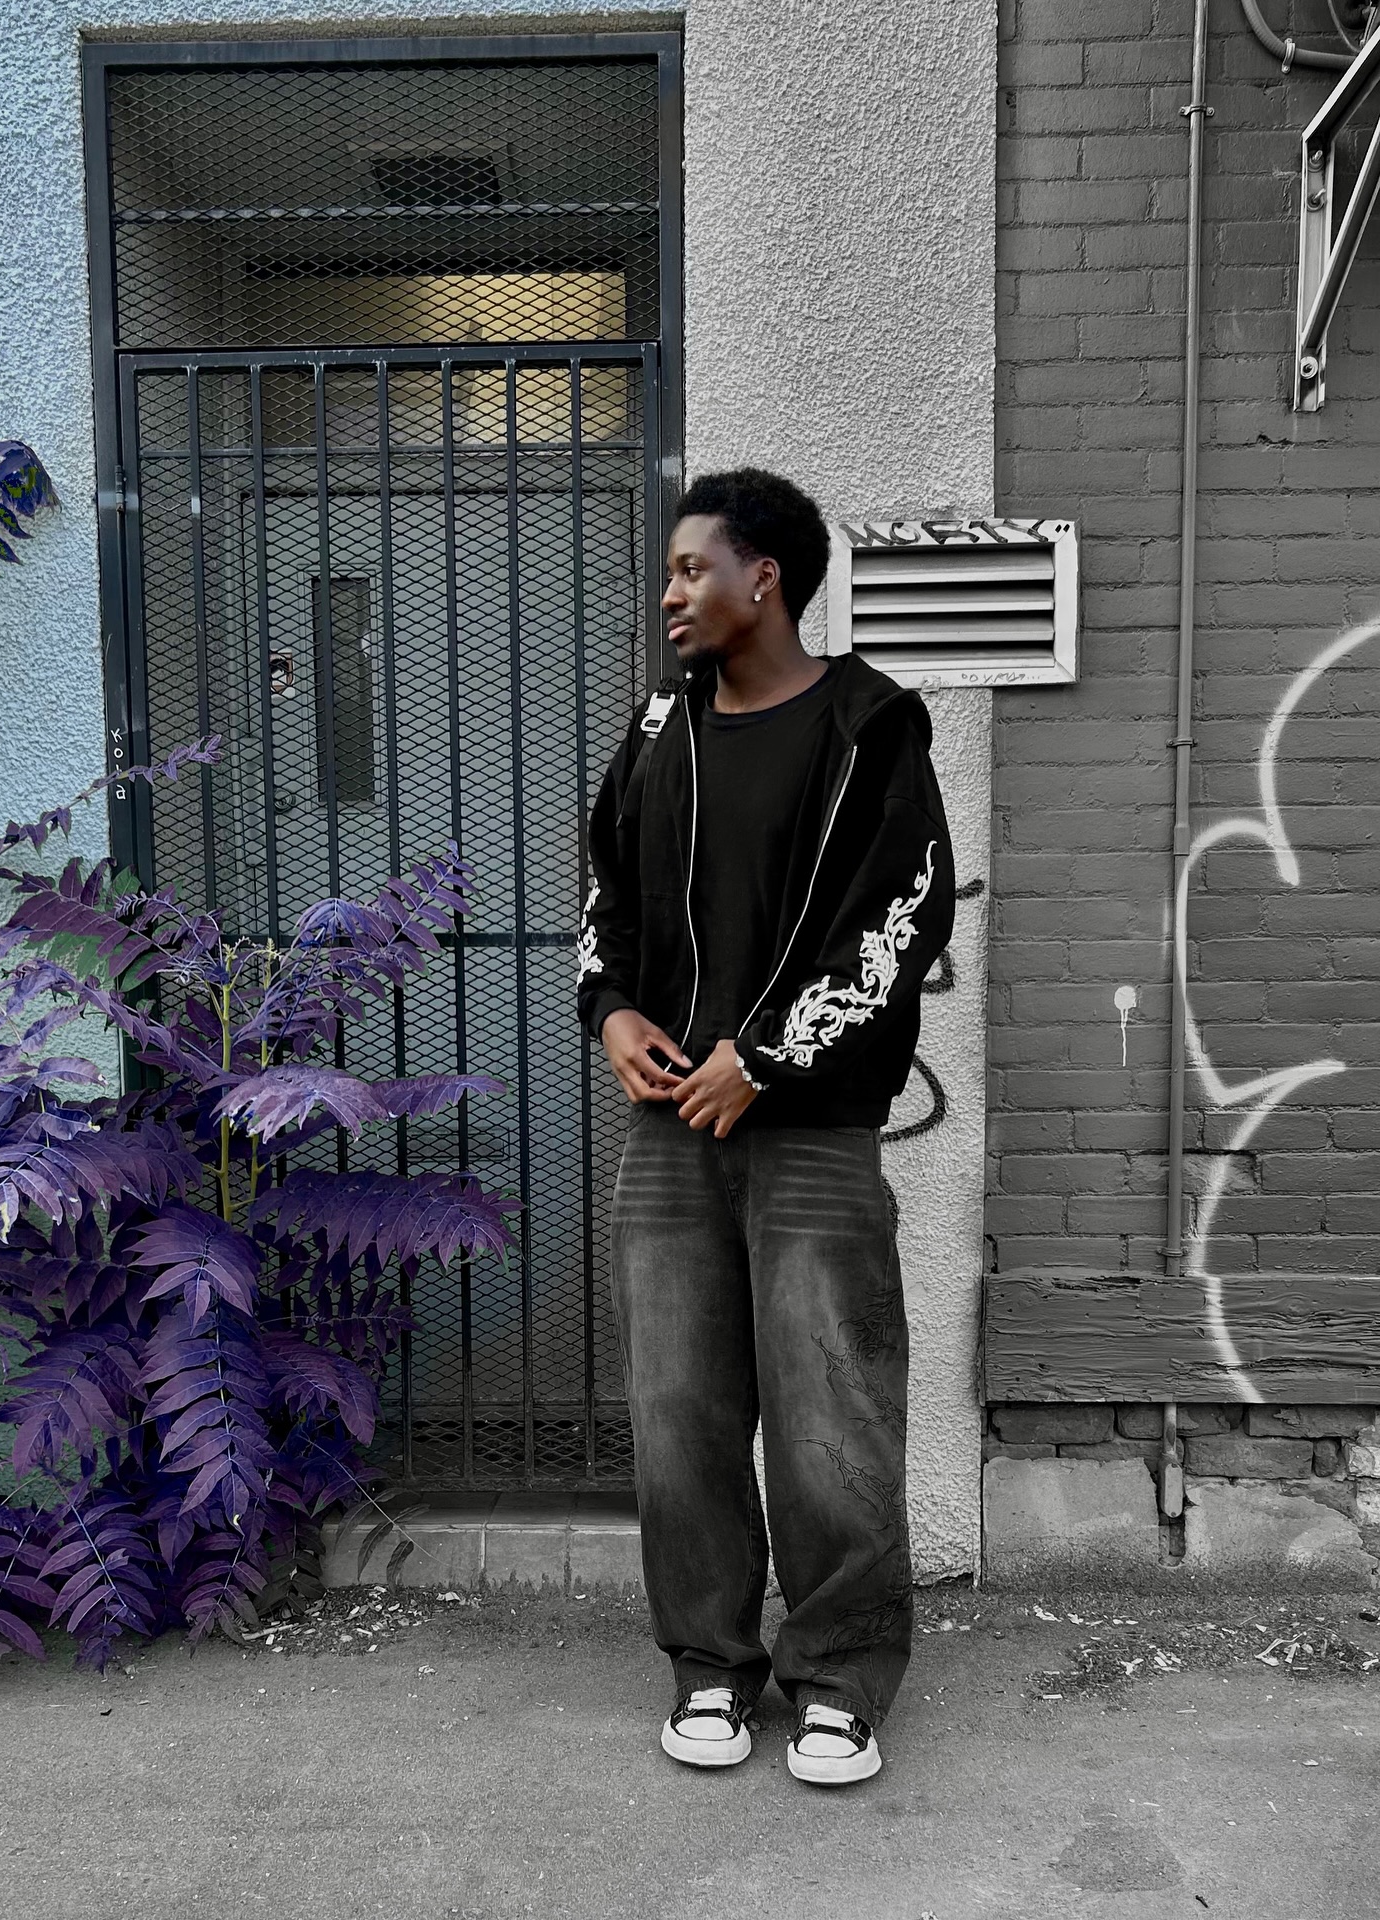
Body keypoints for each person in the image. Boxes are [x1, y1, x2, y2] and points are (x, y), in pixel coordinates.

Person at [575, 468, 955, 1787]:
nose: (671, 594)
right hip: (672, 1135)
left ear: (765, 579)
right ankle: (709, 1665)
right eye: (671, 572)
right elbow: (607, 897)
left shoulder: (870, 727)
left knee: (830, 1410)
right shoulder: (658, 732)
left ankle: (840, 1676)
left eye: (693, 569)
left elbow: (901, 921)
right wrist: (613, 1011)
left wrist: (772, 1058)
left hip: (812, 1137)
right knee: (679, 1410)